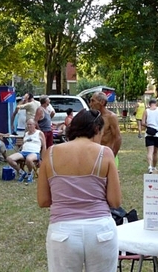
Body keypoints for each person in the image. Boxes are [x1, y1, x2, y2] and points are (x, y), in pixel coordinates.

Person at [37, 109, 121, 272]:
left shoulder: (52, 153)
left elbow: (43, 200)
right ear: (96, 129)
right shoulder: (105, 153)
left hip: (63, 231)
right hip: (100, 230)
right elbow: (115, 201)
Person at [6, 119, 46, 184]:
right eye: (27, 124)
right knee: (9, 158)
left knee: (29, 159)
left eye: (30, 124)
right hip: (24, 151)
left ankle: (30, 173)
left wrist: (42, 159)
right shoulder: (26, 134)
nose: (29, 126)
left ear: (35, 125)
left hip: (34, 152)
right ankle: (22, 172)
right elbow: (23, 144)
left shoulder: (39, 133)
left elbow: (44, 146)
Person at [89, 92, 122, 158]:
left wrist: (113, 155)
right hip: (94, 155)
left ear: (102, 102)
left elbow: (118, 138)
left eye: (93, 101)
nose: (90, 104)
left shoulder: (111, 117)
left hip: (107, 155)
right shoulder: (92, 116)